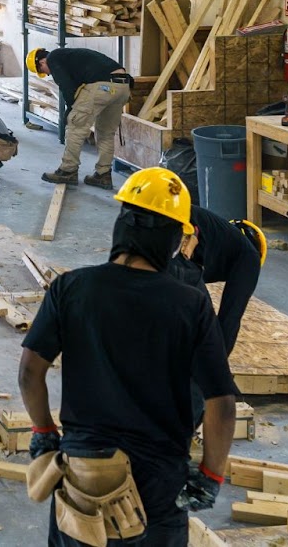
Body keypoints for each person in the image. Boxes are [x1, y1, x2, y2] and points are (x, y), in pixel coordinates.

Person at [19, 167, 237, 546]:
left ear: (122, 225)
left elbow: (29, 373)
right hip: (158, 483)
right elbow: (221, 402)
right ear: (172, 238)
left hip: (83, 472)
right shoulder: (190, 305)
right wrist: (211, 475)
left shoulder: (71, 288)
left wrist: (43, 433)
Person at [28, 46, 132, 190]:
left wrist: (70, 110)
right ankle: (103, 175)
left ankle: (67, 171)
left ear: (42, 62)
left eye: (42, 71)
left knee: (75, 126)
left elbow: (67, 86)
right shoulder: (72, 58)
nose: (47, 74)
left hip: (102, 86)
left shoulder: (53, 58)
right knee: (105, 133)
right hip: (123, 86)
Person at [167, 206, 266, 352]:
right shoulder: (250, 257)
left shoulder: (218, 236)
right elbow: (230, 317)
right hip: (180, 234)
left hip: (161, 217)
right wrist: (219, 365)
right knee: (204, 319)